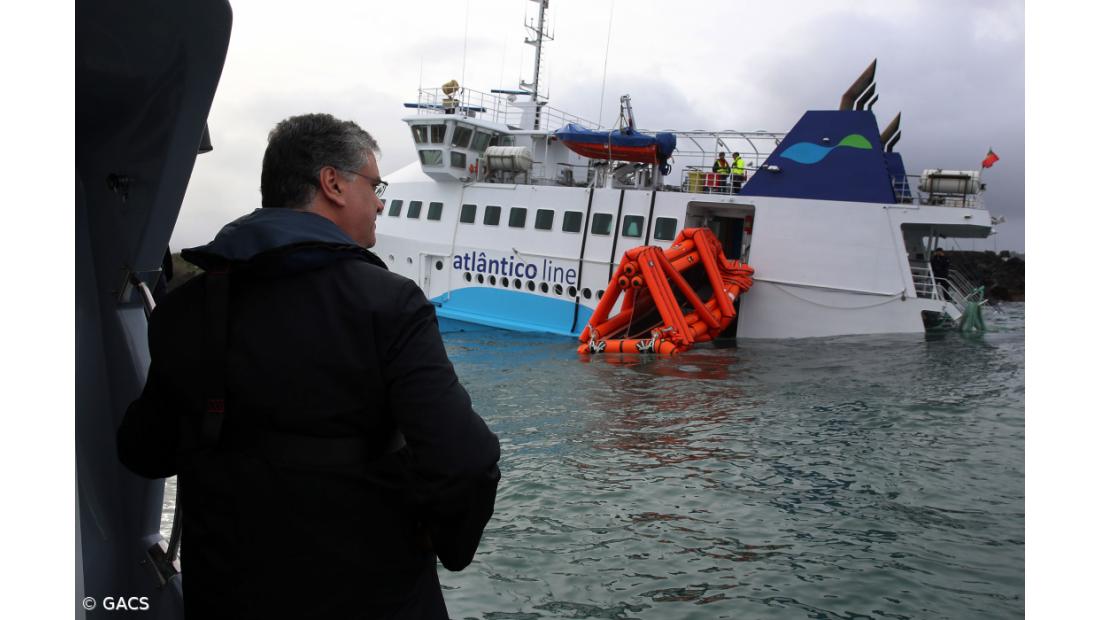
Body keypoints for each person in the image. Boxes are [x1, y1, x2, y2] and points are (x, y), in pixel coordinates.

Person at [117, 113, 500, 619]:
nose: (380, 202)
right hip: (373, 598)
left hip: (226, 596)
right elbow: (467, 461)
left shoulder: (186, 308)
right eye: (374, 185)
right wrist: (445, 543)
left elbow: (144, 451)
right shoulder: (390, 303)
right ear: (333, 183)